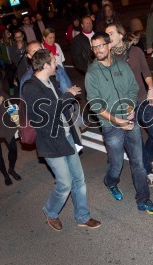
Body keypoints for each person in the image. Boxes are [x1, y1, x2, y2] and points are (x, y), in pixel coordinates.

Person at [22, 49, 101, 231]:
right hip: (51, 143)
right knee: (65, 183)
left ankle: (83, 216)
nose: (56, 64)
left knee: (79, 179)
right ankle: (50, 212)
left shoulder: (50, 81)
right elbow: (48, 111)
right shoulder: (31, 87)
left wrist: (67, 98)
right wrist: (68, 96)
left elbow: (59, 107)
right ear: (46, 65)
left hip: (66, 137)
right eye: (54, 62)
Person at [85, 31, 153, 214]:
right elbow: (95, 104)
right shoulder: (92, 74)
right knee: (116, 164)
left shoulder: (121, 65)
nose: (98, 50)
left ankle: (144, 199)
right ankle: (110, 182)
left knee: (139, 163)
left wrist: (129, 107)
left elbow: (133, 87)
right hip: (111, 127)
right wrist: (117, 120)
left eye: (101, 45)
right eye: (94, 47)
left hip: (129, 120)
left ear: (109, 45)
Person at [106, 23, 153, 187]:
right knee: (136, 141)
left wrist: (151, 89)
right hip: (125, 106)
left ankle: (150, 156)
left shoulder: (136, 51)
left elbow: (146, 72)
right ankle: (147, 171)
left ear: (120, 34)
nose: (107, 36)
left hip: (143, 99)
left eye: (111, 33)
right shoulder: (108, 58)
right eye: (106, 33)